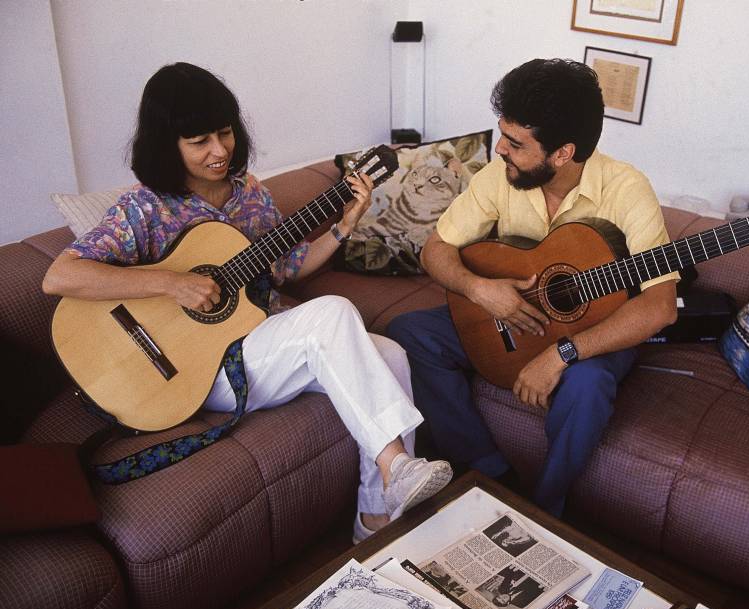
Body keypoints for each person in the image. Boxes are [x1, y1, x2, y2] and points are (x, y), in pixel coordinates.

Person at [41, 62, 451, 544]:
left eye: (224, 133)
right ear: (166, 145)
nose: (219, 151)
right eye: (199, 142)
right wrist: (171, 284)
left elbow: (288, 267)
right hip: (197, 372)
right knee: (334, 312)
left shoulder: (248, 192)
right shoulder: (145, 206)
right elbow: (59, 275)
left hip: (261, 346)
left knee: (392, 355)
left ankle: (375, 522)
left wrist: (345, 223)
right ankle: (398, 466)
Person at [387, 58, 678, 516]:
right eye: (502, 133)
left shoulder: (628, 189)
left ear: (563, 153)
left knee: (587, 387)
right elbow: (436, 249)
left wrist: (561, 354)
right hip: (507, 313)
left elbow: (660, 307)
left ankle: (545, 508)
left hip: (595, 327)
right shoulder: (498, 177)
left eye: (516, 143)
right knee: (409, 333)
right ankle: (486, 472)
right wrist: (481, 290)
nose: (499, 148)